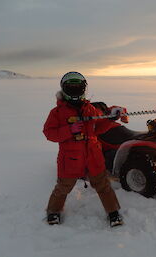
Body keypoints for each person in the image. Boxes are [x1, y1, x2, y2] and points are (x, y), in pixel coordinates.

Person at [43, 71, 123, 227]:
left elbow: (98, 128)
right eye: (71, 88)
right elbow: (49, 133)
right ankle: (53, 211)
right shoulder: (57, 113)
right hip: (70, 159)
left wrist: (110, 119)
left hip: (93, 156)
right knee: (63, 187)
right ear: (64, 89)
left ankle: (113, 212)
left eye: (77, 88)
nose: (74, 90)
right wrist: (69, 130)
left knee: (103, 185)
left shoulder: (90, 109)